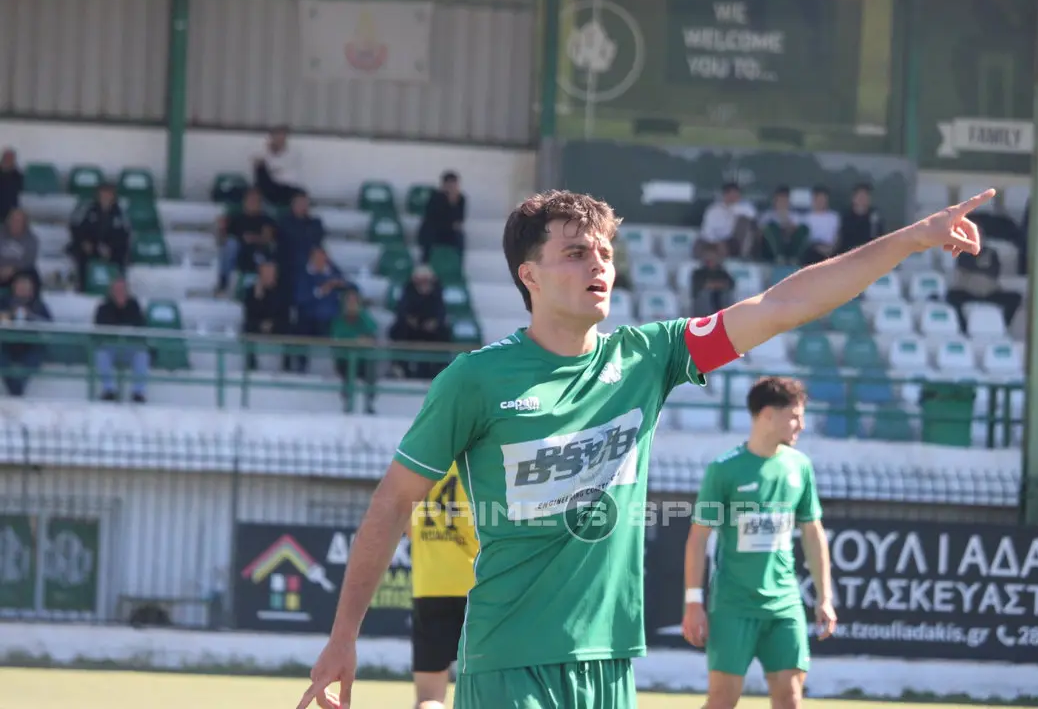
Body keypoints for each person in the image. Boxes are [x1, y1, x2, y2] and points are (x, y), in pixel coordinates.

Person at [295, 187, 994, 709]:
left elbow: (784, 306)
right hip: (509, 660)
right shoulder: (474, 380)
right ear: (529, 275)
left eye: (605, 252)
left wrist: (912, 238)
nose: (598, 265)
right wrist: (343, 635)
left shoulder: (648, 356)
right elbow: (392, 502)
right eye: (576, 253)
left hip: (611, 661)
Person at [681, 376, 833, 709]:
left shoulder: (799, 467)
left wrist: (825, 597)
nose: (802, 425)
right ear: (767, 414)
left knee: (790, 698)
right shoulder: (723, 470)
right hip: (733, 605)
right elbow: (698, 538)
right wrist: (693, 602)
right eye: (794, 416)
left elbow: (812, 532)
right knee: (722, 700)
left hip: (784, 605)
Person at [408, 463, 478, 709]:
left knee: (429, 697)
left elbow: (407, 529)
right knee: (489, 690)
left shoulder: (419, 468)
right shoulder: (478, 465)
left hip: (430, 587)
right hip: (477, 588)